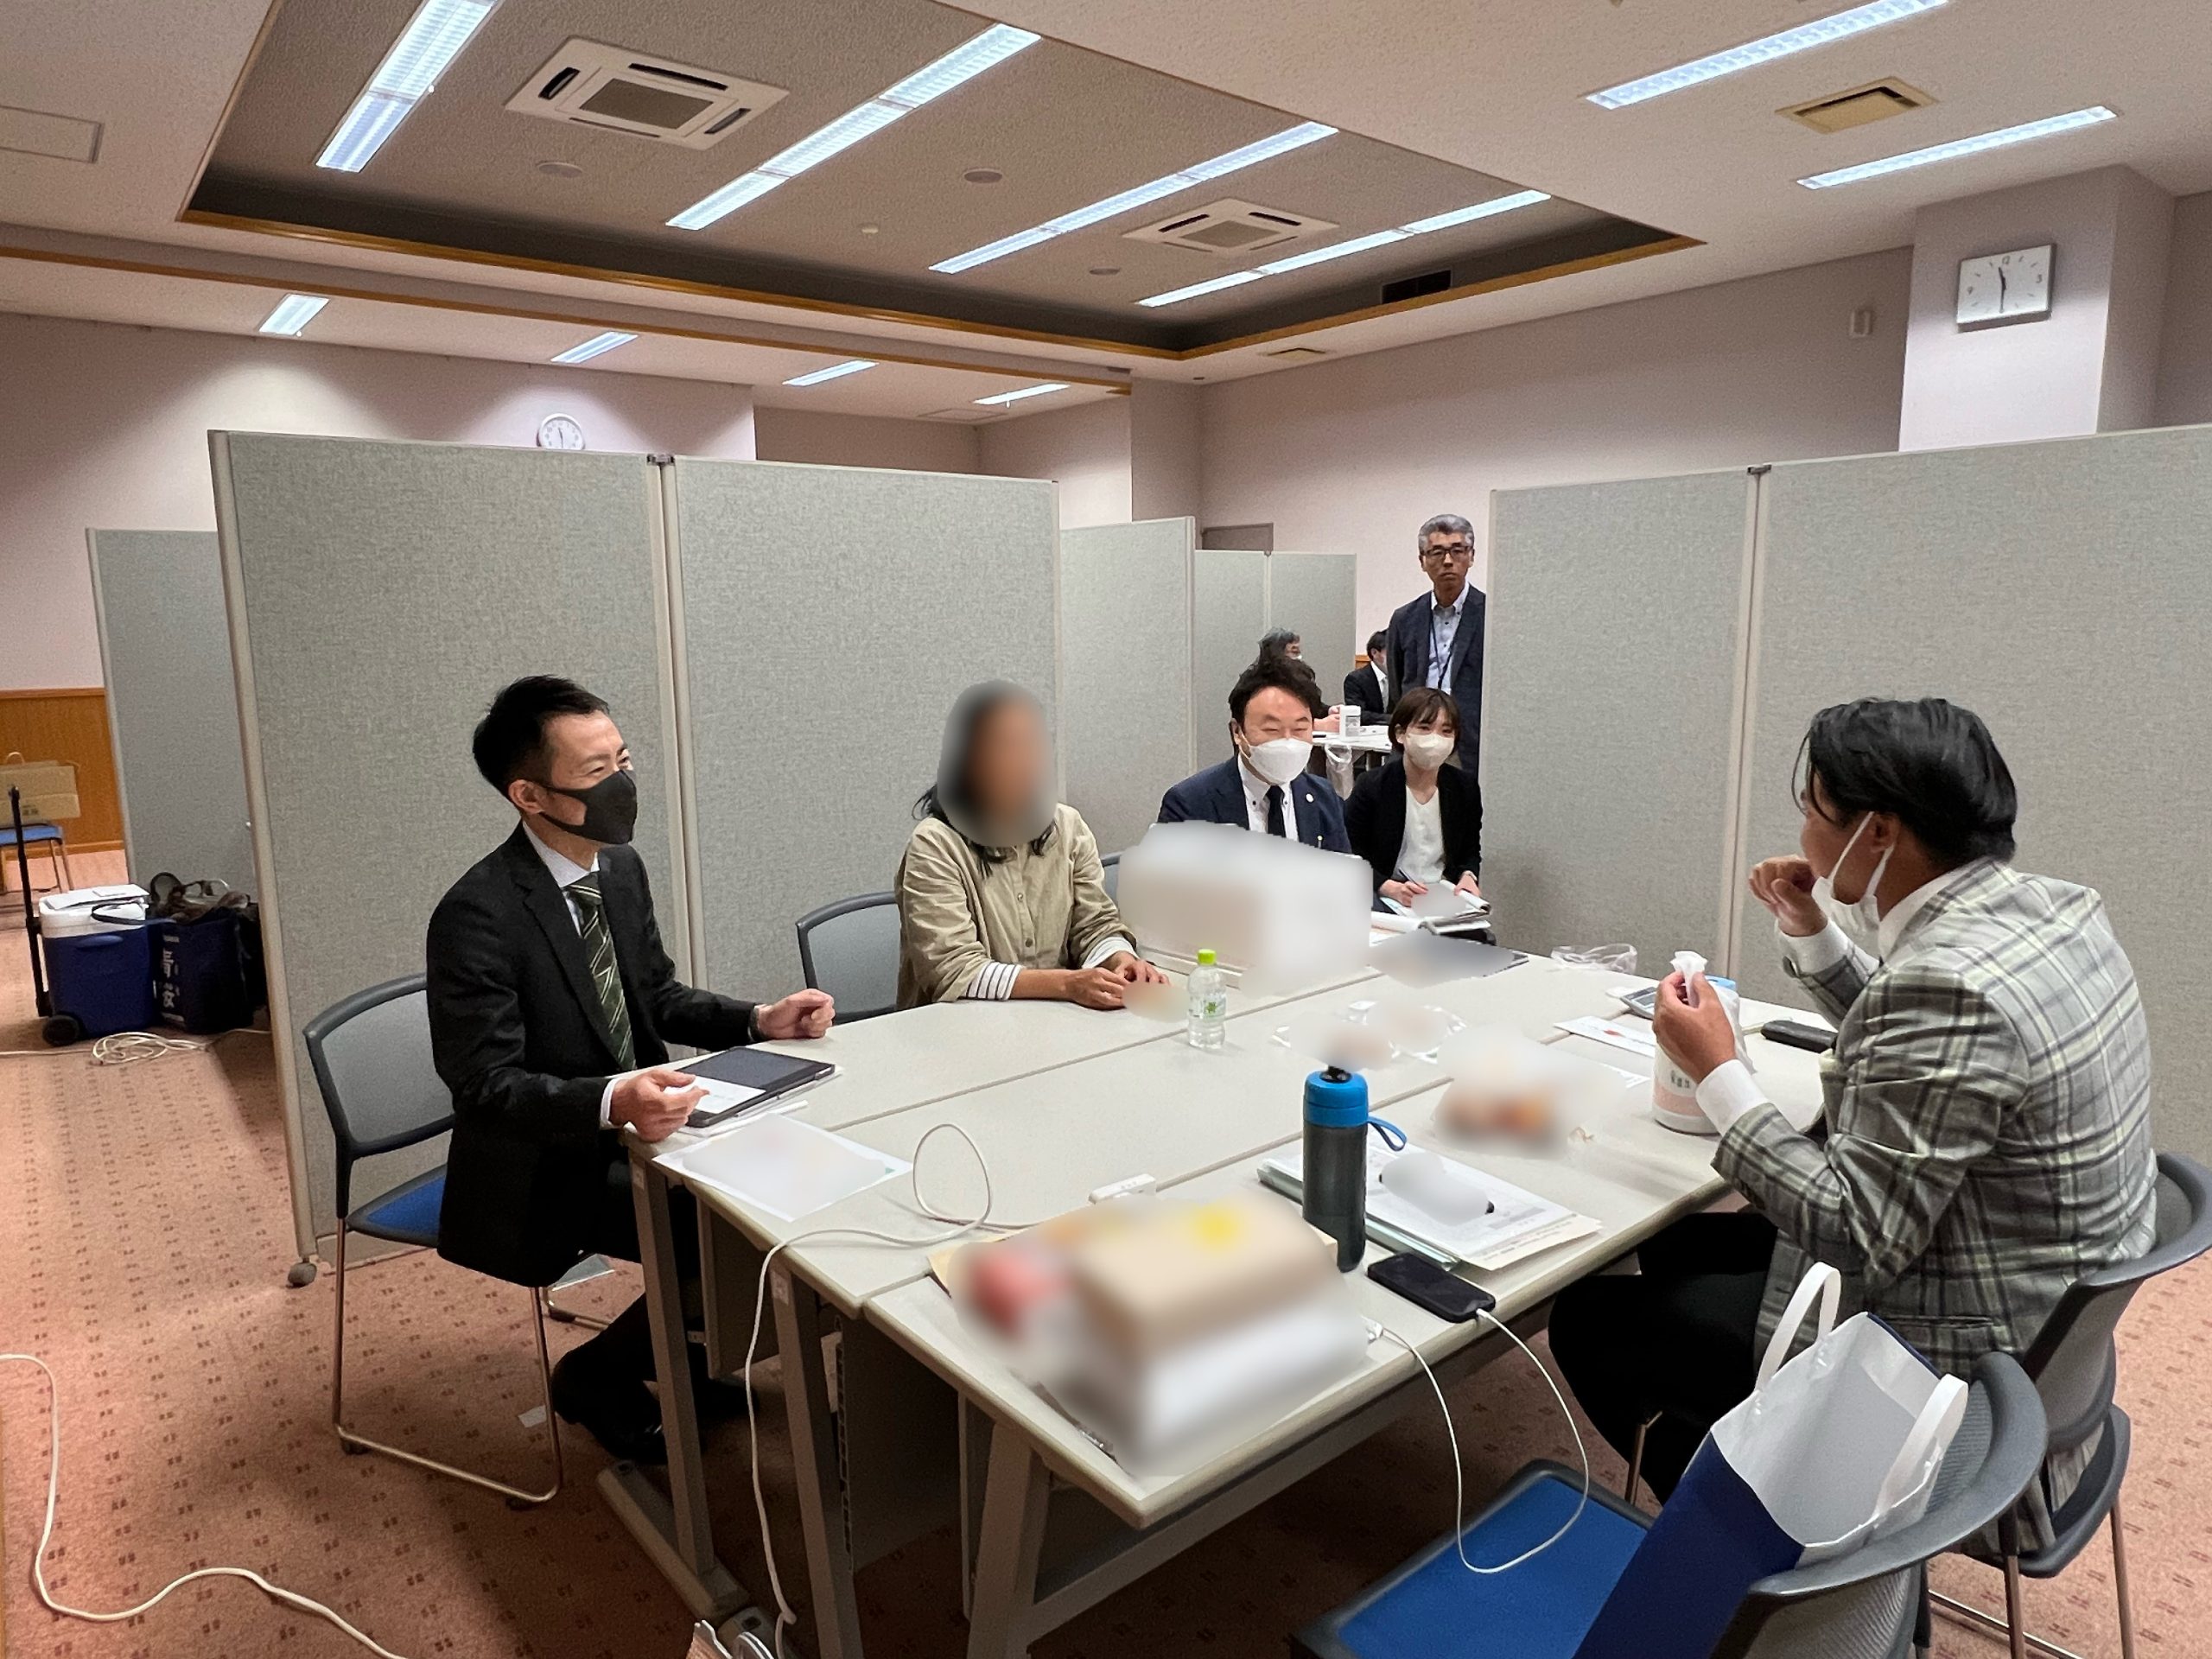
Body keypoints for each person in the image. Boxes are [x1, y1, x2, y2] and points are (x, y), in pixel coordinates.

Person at [1548, 697, 2156, 1510]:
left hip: (1955, 1369)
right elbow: (1931, 1055)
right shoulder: (2054, 911)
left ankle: (1769, 1539)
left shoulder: (1950, 988)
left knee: (1590, 1318)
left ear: (1878, 833)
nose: (1802, 830)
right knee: (1677, 1246)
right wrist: (1810, 926)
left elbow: (1854, 1231)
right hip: (2042, 1328)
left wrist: (1719, 1072)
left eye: (1813, 809)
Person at [426, 676, 835, 1463]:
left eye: (623, 760)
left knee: (779, 1193)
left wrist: (758, 1018)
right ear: (528, 795)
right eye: (595, 771)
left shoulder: (618, 868)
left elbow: (656, 996)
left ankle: (677, 1352)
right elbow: (484, 1086)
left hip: (648, 1134)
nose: (621, 783)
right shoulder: (477, 915)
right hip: (544, 1163)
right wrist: (615, 1101)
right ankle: (596, 1374)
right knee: (718, 1233)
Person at [897, 682, 1168, 1010]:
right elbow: (954, 971)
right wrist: (1067, 984)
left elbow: (1095, 925)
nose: (1026, 762)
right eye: (1006, 747)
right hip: (959, 1027)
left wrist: (1120, 960)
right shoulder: (935, 844)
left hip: (1054, 1019)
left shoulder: (1068, 826)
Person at [1158, 653, 1351, 852]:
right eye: (1272, 730)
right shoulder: (1191, 803)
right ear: (1237, 732)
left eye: (1299, 729)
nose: (1287, 742)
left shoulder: (1323, 797)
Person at [1343, 688, 1481, 904]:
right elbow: (1348, 851)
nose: (1435, 739)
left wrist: (1468, 876)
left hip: (1442, 894)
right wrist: (1386, 887)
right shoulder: (1372, 786)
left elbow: (1469, 850)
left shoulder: (1464, 787)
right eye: (1425, 728)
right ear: (1401, 733)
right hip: (1385, 894)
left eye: (1446, 731)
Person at [1384, 514, 1486, 773]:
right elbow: (1397, 689)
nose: (1448, 561)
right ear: (1422, 561)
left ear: (1471, 556)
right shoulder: (1405, 618)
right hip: (1416, 740)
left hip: (1469, 744)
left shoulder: (1491, 615)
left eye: (1457, 550)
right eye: (1437, 552)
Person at [1343, 632, 1390, 722]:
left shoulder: (1400, 678)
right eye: (1390, 653)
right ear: (1374, 653)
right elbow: (1359, 714)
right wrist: (1390, 719)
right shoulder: (1355, 679)